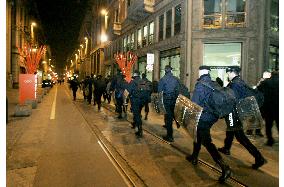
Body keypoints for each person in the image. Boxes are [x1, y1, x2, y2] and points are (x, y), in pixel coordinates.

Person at [186, 65, 231, 183]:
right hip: (213, 116)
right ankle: (194, 157)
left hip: (204, 117)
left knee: (206, 141)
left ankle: (224, 167)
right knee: (197, 134)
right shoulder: (214, 83)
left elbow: (195, 104)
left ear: (200, 72)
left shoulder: (200, 85)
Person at [217, 66, 267, 170]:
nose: (228, 75)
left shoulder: (235, 84)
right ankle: (226, 148)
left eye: (228, 73)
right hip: (236, 113)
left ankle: (259, 158)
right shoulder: (240, 82)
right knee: (230, 130)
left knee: (240, 137)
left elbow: (232, 99)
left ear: (232, 73)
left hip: (234, 113)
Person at [158, 65, 180, 142]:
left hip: (166, 100)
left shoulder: (162, 79)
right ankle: (177, 121)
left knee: (168, 118)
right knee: (173, 113)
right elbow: (178, 90)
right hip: (174, 99)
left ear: (165, 70)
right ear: (171, 70)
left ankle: (170, 136)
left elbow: (160, 91)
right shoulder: (176, 79)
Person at [257, 70, 279, 146]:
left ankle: (270, 140)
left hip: (268, 107)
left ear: (271, 75)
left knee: (268, 125)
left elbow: (258, 88)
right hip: (278, 107)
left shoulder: (266, 82)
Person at [246, 71, 271, 136]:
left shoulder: (263, 82)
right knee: (255, 117)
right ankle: (250, 131)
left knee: (259, 118)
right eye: (269, 75)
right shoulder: (262, 82)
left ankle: (256, 131)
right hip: (259, 103)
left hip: (262, 103)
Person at [126, 70, 148, 137]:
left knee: (137, 115)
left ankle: (140, 131)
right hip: (142, 101)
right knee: (138, 113)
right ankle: (135, 124)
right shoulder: (143, 81)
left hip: (135, 101)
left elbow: (128, 91)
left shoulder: (132, 82)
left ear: (134, 75)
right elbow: (145, 91)